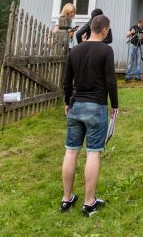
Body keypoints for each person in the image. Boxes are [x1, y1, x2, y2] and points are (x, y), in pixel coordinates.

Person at [61, 14, 119, 217]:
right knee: (93, 153)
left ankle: (67, 198)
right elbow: (110, 81)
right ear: (103, 30)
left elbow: (67, 80)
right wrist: (115, 105)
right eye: (108, 30)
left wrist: (67, 102)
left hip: (76, 105)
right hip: (96, 106)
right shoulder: (106, 50)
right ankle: (89, 202)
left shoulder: (75, 50)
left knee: (71, 152)